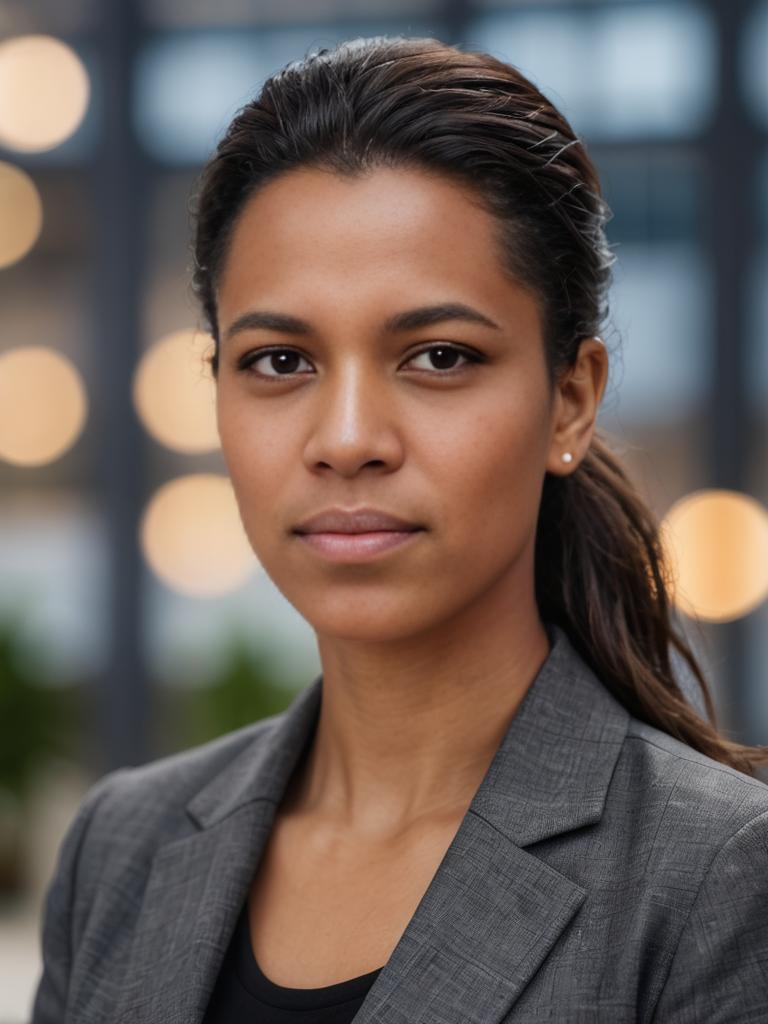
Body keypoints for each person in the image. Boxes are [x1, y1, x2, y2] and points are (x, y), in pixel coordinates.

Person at [32, 35, 768, 1024]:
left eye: (437, 356)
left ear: (569, 400)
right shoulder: (119, 850)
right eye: (281, 363)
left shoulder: (716, 876)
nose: (346, 441)